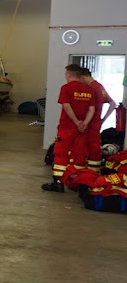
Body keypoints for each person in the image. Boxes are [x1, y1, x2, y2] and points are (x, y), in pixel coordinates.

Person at [43, 64, 96, 192]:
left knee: (61, 154)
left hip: (67, 128)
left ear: (69, 74)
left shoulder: (66, 88)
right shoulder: (89, 90)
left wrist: (76, 122)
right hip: (82, 130)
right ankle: (76, 182)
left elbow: (67, 107)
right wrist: (84, 123)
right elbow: (91, 109)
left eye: (65, 74)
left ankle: (58, 183)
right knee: (79, 155)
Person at [80, 67, 117, 171]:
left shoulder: (90, 89)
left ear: (82, 77)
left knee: (87, 148)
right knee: (95, 147)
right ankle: (94, 172)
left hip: (89, 123)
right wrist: (103, 119)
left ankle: (88, 173)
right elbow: (112, 104)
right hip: (97, 123)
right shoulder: (100, 87)